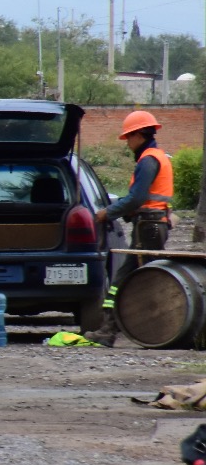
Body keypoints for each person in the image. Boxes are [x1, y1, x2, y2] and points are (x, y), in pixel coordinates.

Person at [87, 110, 174, 347]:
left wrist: (108, 212)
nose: (127, 143)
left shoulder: (148, 160)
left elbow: (137, 199)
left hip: (148, 226)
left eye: (128, 137)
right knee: (141, 278)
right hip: (153, 223)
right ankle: (119, 329)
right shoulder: (156, 156)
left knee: (126, 279)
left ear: (139, 134)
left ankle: (110, 331)